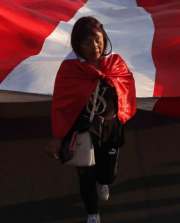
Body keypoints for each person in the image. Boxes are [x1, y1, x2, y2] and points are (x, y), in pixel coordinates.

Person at [44, 17, 137, 223]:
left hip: (111, 128)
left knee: (107, 175)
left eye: (98, 39)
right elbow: (62, 104)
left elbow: (126, 86)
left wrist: (123, 113)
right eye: (87, 42)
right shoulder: (70, 68)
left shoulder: (115, 63)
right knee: (85, 174)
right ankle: (92, 213)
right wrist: (58, 136)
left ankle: (102, 182)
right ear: (77, 45)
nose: (95, 46)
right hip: (83, 129)